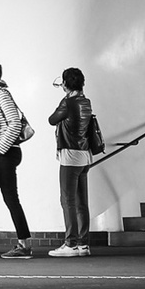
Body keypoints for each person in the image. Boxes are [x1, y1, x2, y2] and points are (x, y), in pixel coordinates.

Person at [0, 61, 35, 259]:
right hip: (4, 153)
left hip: (6, 153)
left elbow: (14, 124)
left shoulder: (1, 94)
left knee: (10, 199)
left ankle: (24, 245)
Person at [48, 67, 95, 257]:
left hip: (70, 156)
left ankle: (71, 244)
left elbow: (52, 120)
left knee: (67, 200)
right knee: (82, 201)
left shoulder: (68, 102)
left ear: (66, 84)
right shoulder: (86, 101)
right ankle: (83, 244)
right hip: (85, 155)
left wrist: (64, 95)